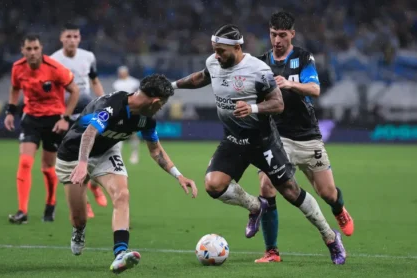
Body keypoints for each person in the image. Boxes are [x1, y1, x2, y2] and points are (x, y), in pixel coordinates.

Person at [171, 24, 346, 265]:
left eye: (222, 51)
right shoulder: (214, 62)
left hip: (263, 140)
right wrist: (172, 86)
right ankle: (255, 207)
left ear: (237, 47)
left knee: (290, 192)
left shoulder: (257, 69)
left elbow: (278, 104)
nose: (217, 56)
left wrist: (253, 107)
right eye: (215, 50)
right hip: (233, 139)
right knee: (213, 185)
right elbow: (202, 77)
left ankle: (330, 237)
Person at [55, 74, 197, 273]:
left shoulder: (146, 120)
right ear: (155, 101)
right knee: (79, 219)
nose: (162, 107)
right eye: (163, 103)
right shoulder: (113, 106)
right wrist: (82, 164)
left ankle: (120, 253)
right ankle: (79, 230)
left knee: (122, 195)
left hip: (106, 152)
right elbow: (89, 133)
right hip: (74, 154)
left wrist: (178, 175)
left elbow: (155, 151)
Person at [254, 11, 354, 264]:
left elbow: (315, 89)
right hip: (277, 138)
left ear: (292, 35)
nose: (277, 40)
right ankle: (272, 251)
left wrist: (288, 84)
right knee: (266, 186)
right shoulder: (260, 63)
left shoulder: (302, 57)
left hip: (307, 136)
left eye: (282, 35)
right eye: (273, 34)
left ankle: (339, 210)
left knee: (327, 192)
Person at [4, 33, 79, 224]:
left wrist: (64, 118)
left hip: (54, 120)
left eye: (36, 48)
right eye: (28, 49)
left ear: (41, 49)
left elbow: (75, 91)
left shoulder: (54, 68)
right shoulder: (17, 68)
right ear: (22, 50)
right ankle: (22, 211)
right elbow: (14, 88)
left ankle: (50, 203)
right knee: (25, 163)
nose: (32, 53)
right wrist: (10, 111)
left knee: (47, 168)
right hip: (31, 119)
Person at [51, 23, 108, 218]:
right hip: (65, 115)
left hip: (87, 111)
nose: (72, 40)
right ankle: (84, 201)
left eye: (75, 36)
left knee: (92, 153)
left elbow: (94, 80)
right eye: (69, 36)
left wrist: (105, 102)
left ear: (80, 38)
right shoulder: (53, 60)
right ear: (61, 38)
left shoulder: (88, 56)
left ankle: (93, 185)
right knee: (72, 160)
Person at [112, 66, 141, 164]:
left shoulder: (134, 82)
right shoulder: (116, 84)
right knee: (119, 132)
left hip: (132, 109)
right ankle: (118, 155)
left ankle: (135, 153)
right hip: (120, 110)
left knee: (133, 133)